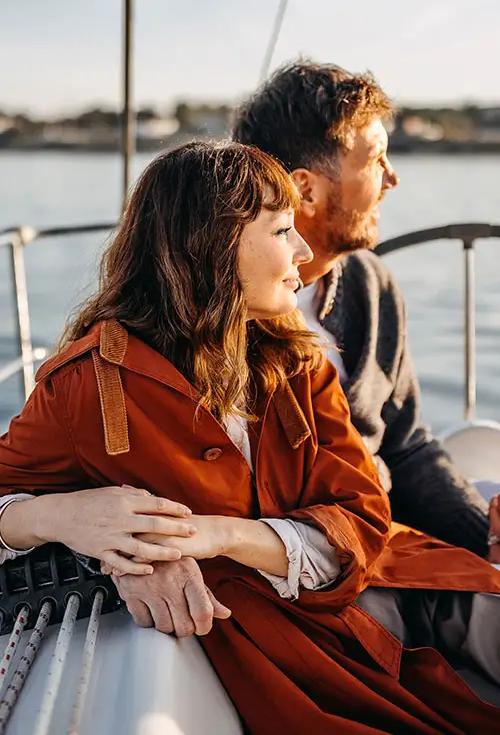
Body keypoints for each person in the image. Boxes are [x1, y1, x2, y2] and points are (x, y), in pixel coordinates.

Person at [0, 141, 499, 734]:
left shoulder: (299, 364)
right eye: (284, 228)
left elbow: (364, 519)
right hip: (309, 659)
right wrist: (62, 518)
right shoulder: (86, 387)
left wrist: (214, 536)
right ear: (212, 244)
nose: (305, 250)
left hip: (409, 586)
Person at [232, 59, 500, 563]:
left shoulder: (369, 285)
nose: (392, 178)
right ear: (305, 189)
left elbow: (405, 446)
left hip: (374, 536)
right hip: (290, 562)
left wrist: (485, 538)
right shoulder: (209, 308)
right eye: (376, 159)